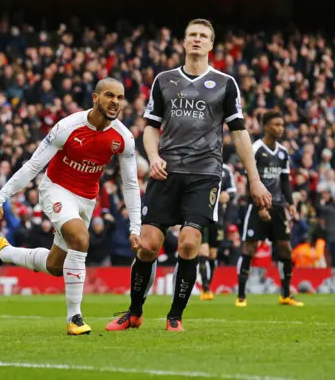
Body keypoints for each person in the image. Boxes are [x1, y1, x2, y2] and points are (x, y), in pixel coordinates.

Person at [106, 18, 271, 332]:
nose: (197, 40)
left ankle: (175, 317)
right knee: (148, 246)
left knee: (189, 243)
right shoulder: (164, 80)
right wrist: (153, 157)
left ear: (211, 44)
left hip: (204, 174)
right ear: (184, 42)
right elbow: (150, 128)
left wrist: (254, 178)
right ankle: (134, 312)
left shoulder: (225, 83)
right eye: (192, 35)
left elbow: (239, 133)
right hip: (166, 172)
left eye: (203, 36)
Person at [0, 78, 141, 336]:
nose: (116, 102)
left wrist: (136, 227)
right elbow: (33, 166)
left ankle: (3, 253)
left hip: (86, 199)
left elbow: (131, 184)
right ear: (96, 98)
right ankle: (74, 318)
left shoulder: (123, 137)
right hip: (56, 189)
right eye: (110, 95)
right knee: (80, 238)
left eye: (120, 98)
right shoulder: (67, 127)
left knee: (56, 265)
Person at [236, 110, 303, 307]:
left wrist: (290, 204)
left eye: (282, 125)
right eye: (276, 125)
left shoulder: (282, 152)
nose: (280, 128)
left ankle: (285, 294)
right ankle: (241, 295)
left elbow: (285, 180)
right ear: (266, 126)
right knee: (249, 247)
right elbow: (250, 178)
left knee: (285, 248)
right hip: (257, 205)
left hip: (278, 206)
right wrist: (258, 207)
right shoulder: (255, 148)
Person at [199, 164, 236, 300]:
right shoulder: (200, 165)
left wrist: (228, 195)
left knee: (213, 254)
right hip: (202, 215)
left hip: (218, 218)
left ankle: (208, 285)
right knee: (203, 252)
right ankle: (205, 289)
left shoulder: (226, 170)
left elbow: (233, 190)